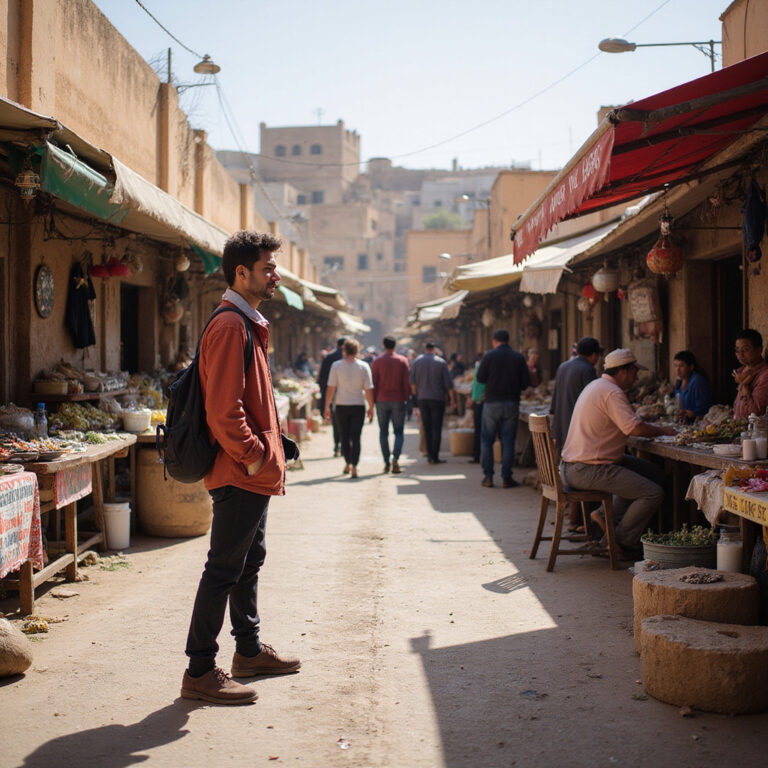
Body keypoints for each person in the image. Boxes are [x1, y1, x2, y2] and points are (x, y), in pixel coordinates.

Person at [181, 230, 300, 707]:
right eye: (268, 268)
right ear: (241, 272)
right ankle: (199, 669)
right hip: (240, 471)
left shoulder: (248, 322)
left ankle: (248, 652)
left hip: (253, 469)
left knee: (249, 562)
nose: (275, 275)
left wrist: (273, 447)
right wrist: (253, 455)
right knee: (224, 568)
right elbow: (224, 409)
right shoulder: (232, 325)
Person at [560, 348, 676, 559]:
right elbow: (634, 429)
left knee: (650, 471)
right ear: (623, 371)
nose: (636, 377)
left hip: (575, 465)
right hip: (588, 468)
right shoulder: (612, 392)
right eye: (634, 372)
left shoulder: (596, 385)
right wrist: (663, 430)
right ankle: (619, 542)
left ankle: (604, 516)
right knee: (653, 493)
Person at [549, 337, 602, 530]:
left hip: (562, 429)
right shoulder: (587, 370)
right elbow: (595, 400)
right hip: (578, 431)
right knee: (588, 468)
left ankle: (575, 519)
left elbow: (554, 402)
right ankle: (587, 521)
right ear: (594, 355)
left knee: (572, 469)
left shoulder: (563, 366)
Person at [475, 329, 530, 488]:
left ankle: (488, 477)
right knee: (508, 441)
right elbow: (525, 383)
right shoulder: (518, 357)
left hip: (492, 403)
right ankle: (506, 478)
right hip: (511, 403)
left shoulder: (489, 356)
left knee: (487, 440)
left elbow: (480, 378)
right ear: (508, 340)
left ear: (494, 341)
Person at [324, 339, 374, 478]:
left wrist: (327, 405)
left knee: (344, 436)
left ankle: (347, 463)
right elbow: (368, 389)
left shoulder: (336, 366)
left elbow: (331, 388)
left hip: (341, 406)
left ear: (344, 350)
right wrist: (371, 407)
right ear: (358, 351)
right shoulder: (364, 366)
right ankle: (354, 466)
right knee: (356, 437)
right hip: (358, 405)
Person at [410, 341, 455, 464]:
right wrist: (452, 400)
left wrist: (415, 401)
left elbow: (413, 384)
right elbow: (448, 384)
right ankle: (435, 456)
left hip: (422, 399)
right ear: (434, 349)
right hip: (438, 399)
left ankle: (429, 454)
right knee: (437, 427)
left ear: (425, 349)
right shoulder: (441, 362)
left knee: (427, 427)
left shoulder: (416, 362)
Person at [371, 335, 410, 474]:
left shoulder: (377, 362)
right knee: (398, 432)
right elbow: (406, 383)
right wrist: (407, 398)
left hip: (381, 400)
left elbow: (373, 383)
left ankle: (386, 461)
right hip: (398, 400)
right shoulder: (402, 361)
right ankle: (396, 459)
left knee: (383, 432)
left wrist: (373, 401)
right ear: (395, 345)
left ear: (383, 345)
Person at [317, 337, 345, 456]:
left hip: (332, 394)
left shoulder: (329, 357)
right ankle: (344, 447)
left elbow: (322, 378)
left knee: (336, 422)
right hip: (346, 395)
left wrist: (325, 395)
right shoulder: (347, 358)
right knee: (346, 423)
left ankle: (336, 446)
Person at [733, 329, 768, 418]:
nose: (740, 355)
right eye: (737, 350)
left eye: (745, 349)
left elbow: (754, 412)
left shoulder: (765, 375)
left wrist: (745, 385)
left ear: (759, 350)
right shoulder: (743, 371)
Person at [673, 350, 713, 422]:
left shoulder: (697, 381)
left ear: (691, 367)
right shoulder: (679, 382)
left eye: (681, 366)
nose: (677, 369)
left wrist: (690, 413)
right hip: (683, 421)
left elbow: (704, 409)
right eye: (675, 366)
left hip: (697, 422)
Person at [468, 353, 485, 464]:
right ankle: (479, 456)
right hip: (483, 402)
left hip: (478, 401)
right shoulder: (484, 368)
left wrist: (471, 398)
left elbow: (474, 385)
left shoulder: (479, 368)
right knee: (484, 432)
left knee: (478, 430)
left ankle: (477, 456)